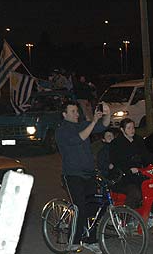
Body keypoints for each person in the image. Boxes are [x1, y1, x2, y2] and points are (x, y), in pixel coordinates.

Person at [55, 100, 110, 253]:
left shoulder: (82, 124)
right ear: (64, 114)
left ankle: (90, 240)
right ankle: (72, 241)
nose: (76, 114)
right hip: (72, 175)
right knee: (80, 207)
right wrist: (93, 121)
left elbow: (103, 126)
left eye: (77, 111)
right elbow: (80, 138)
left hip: (89, 174)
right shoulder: (62, 131)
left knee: (93, 209)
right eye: (73, 111)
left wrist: (107, 113)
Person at [109, 118, 153, 208]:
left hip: (139, 174)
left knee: (151, 187)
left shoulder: (138, 140)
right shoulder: (116, 143)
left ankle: (150, 212)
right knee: (135, 193)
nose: (132, 130)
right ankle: (126, 217)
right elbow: (116, 160)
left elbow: (146, 154)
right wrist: (128, 170)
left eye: (133, 128)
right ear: (122, 130)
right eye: (129, 128)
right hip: (122, 177)